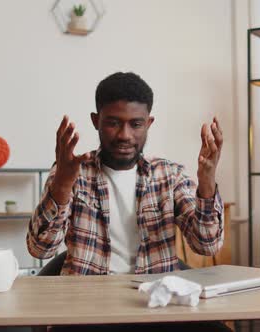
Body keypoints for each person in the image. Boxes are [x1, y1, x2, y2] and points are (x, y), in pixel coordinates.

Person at [27, 71, 225, 276]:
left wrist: (207, 182)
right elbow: (40, 249)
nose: (124, 135)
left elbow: (207, 245)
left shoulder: (170, 176)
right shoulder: (71, 172)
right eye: (113, 123)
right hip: (87, 301)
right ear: (96, 121)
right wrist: (62, 184)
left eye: (136, 124)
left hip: (153, 300)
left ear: (149, 123)